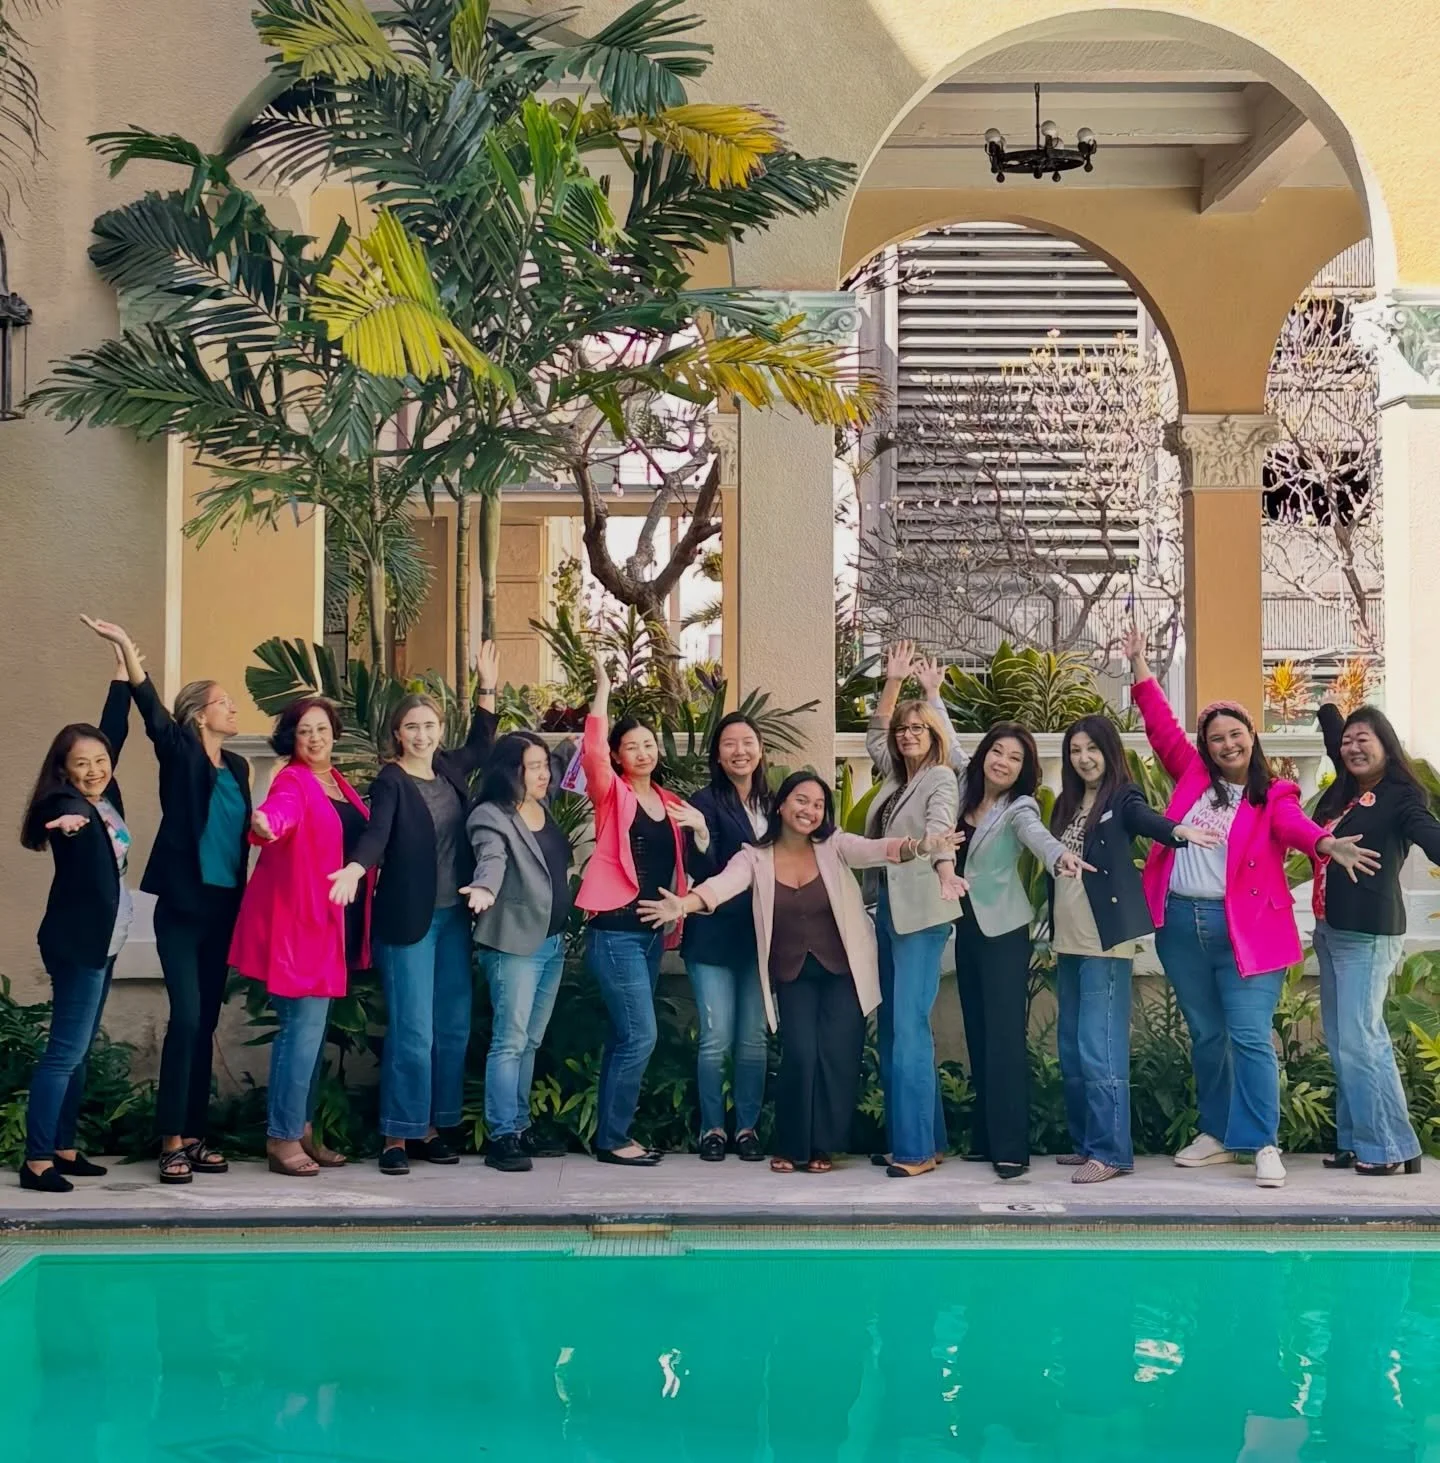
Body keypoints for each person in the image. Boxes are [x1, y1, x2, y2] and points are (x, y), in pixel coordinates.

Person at [1121, 627, 1378, 1189]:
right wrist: (1140, 666)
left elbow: (1293, 826)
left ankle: (1262, 1141)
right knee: (1208, 1035)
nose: (1226, 745)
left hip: (1247, 934)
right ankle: (1215, 1133)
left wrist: (1326, 844)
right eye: (1215, 738)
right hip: (1182, 926)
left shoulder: (1275, 794)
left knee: (1249, 1036)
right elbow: (1162, 728)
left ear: (1250, 737)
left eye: (1235, 734)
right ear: (1206, 746)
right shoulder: (1191, 776)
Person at [639, 772, 962, 1173]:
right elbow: (723, 885)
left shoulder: (834, 845)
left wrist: (922, 845)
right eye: (801, 800)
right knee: (800, 1055)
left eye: (818, 804)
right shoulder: (754, 856)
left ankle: (823, 1148)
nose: (809, 810)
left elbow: (877, 850)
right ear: (781, 805)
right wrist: (683, 906)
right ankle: (793, 1147)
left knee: (838, 1057)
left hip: (844, 971)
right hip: (793, 974)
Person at [82, 615, 251, 1185]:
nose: (233, 708)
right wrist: (127, 651)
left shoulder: (242, 767)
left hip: (226, 904)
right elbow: (151, 709)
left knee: (205, 1022)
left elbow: (234, 828)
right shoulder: (179, 750)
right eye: (223, 702)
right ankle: (172, 1139)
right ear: (200, 712)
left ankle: (197, 1135)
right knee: (185, 1016)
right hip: (183, 905)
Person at [328, 644, 500, 1175]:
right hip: (408, 923)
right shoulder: (391, 780)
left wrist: (487, 687)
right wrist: (357, 868)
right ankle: (397, 1136)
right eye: (411, 727)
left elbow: (483, 743)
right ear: (396, 734)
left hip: (453, 920)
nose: (421, 734)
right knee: (413, 1031)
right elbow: (377, 832)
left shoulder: (448, 769)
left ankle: (434, 1126)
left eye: (428, 724)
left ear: (438, 730)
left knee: (451, 1028)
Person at [1047, 715, 1221, 1183]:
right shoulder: (1066, 804)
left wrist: (1178, 832)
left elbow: (1143, 819)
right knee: (1071, 1046)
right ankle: (1087, 1143)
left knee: (1097, 1045)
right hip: (1068, 941)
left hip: (1105, 939)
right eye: (1076, 750)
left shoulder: (1120, 796)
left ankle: (1111, 1151)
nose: (1084, 758)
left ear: (1108, 752)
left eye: (1092, 749)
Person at [574, 649, 711, 1167]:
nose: (643, 752)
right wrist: (604, 689)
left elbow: (693, 862)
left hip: (652, 936)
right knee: (641, 1034)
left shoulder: (670, 802)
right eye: (631, 746)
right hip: (616, 933)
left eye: (649, 744)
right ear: (618, 755)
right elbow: (590, 753)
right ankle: (614, 1137)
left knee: (624, 1036)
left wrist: (698, 831)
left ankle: (609, 1134)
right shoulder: (613, 795)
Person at [16, 627, 136, 1192]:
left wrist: (121, 670)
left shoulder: (104, 796)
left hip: (102, 941)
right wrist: (64, 824)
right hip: (77, 943)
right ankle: (37, 1160)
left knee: (80, 1048)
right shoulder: (68, 804)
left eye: (99, 760)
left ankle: (64, 1147)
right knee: (64, 1052)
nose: (94, 768)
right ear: (64, 771)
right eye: (80, 764)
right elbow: (53, 821)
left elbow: (111, 731)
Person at [230, 697, 369, 1177]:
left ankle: (302, 1132)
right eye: (305, 731)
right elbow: (280, 813)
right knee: (301, 1035)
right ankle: (282, 1138)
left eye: (322, 729)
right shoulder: (293, 779)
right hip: (299, 928)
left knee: (311, 1038)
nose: (315, 738)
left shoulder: (337, 782)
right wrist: (267, 825)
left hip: (329, 928)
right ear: (291, 738)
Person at [953, 722, 1088, 1180]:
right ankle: (986, 1138)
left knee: (1005, 1037)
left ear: (1024, 769)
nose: (1003, 762)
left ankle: (1011, 1147)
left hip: (1006, 930)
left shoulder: (1020, 806)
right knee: (978, 1032)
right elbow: (952, 747)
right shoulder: (960, 789)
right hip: (967, 928)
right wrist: (932, 695)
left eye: (1014, 757)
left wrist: (1058, 858)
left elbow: (1037, 836)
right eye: (997, 751)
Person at [1312, 701, 1440, 1175]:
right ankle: (1357, 1138)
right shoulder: (1346, 793)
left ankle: (1388, 1146)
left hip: (1367, 935)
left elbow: (1430, 837)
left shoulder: (1402, 797)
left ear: (1388, 744)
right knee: (1345, 1040)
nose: (1351, 747)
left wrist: (1352, 721)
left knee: (1363, 1040)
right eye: (1347, 741)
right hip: (1331, 931)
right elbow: (1333, 735)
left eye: (1364, 738)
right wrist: (1331, 712)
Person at [865, 644, 967, 1178]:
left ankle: (913, 1151)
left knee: (908, 1027)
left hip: (923, 915)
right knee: (894, 1027)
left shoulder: (940, 778)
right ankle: (930, 1137)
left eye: (918, 729)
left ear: (934, 737)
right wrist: (892, 682)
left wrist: (945, 864)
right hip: (887, 913)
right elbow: (872, 737)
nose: (906, 735)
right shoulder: (894, 778)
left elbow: (940, 828)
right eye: (902, 729)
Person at [462, 731, 574, 1173]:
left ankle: (521, 1125)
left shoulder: (541, 804)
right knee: (509, 1042)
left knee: (529, 1040)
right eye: (533, 766)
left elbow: (571, 752)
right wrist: (485, 888)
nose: (544, 773)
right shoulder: (491, 817)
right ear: (512, 772)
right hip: (514, 946)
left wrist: (600, 700)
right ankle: (502, 1136)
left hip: (551, 942)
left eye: (545, 765)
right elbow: (491, 859)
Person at [683, 713, 774, 1162]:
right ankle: (713, 1128)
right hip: (713, 939)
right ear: (717, 754)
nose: (740, 751)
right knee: (716, 1037)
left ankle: (747, 1129)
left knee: (754, 1038)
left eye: (748, 742)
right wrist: (700, 835)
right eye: (730, 744)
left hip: (762, 939)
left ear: (760, 749)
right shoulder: (704, 801)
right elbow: (704, 873)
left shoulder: (775, 803)